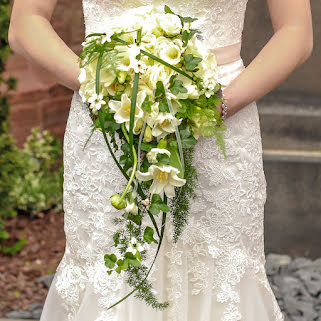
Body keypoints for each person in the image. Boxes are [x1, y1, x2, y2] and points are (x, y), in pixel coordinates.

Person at [8, 0, 313, 320]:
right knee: (116, 262)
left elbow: (296, 32)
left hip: (220, 119)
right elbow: (25, 23)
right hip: (109, 120)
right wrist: (101, 87)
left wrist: (219, 107)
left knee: (217, 266)